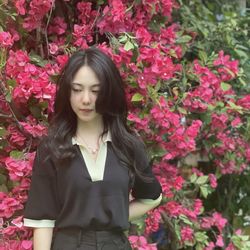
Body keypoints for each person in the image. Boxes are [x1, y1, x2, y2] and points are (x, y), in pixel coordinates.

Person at [23, 47, 162, 250]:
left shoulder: (127, 145)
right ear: (67, 92)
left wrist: (115, 214)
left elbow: (152, 197)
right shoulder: (52, 147)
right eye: (77, 89)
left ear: (109, 93)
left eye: (95, 91)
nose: (85, 99)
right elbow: (42, 221)